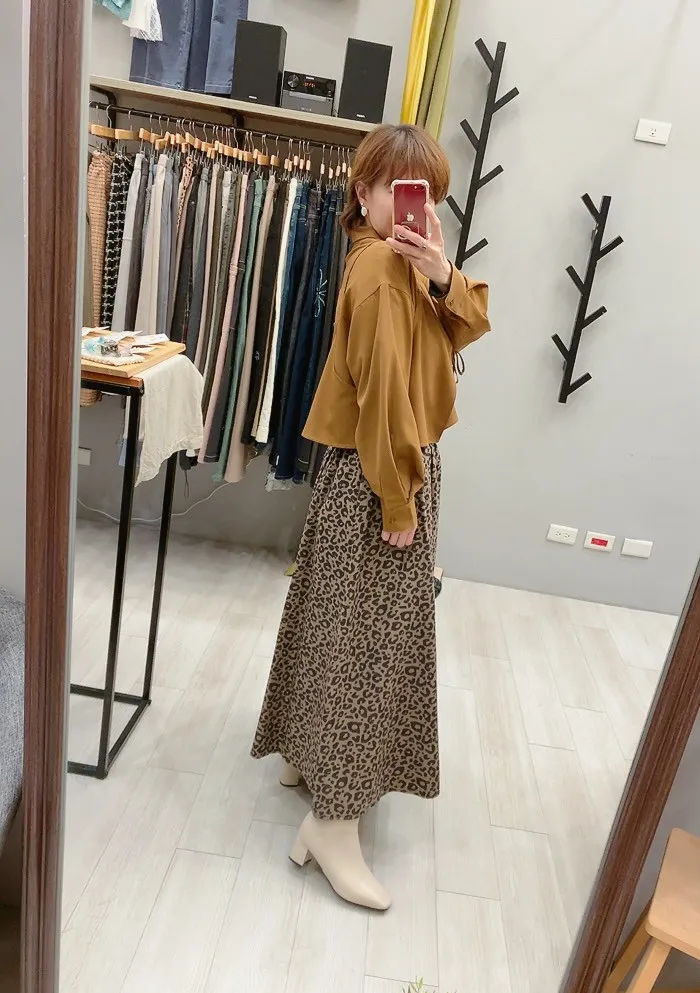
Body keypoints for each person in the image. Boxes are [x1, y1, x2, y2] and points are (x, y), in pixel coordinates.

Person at [251, 124, 490, 910]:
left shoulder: (397, 262)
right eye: (399, 189)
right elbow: (385, 394)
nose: (416, 206)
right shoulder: (385, 269)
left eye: (427, 193)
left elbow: (467, 327)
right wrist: (398, 498)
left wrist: (443, 272)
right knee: (371, 650)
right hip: (386, 471)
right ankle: (333, 823)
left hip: (370, 469)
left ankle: (305, 758)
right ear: (364, 193)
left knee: (332, 622)